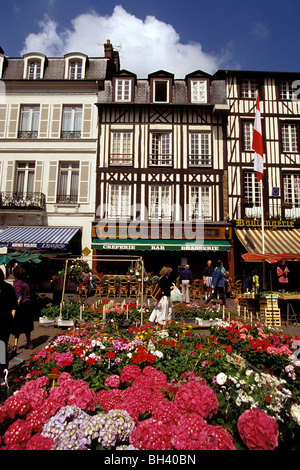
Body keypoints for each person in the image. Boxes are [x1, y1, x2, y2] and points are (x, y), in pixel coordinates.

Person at [0, 269, 18, 372]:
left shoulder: (7, 288)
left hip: (4, 320)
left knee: (2, 345)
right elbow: (14, 305)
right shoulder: (8, 287)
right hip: (5, 321)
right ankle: (3, 369)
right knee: (2, 344)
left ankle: (2, 368)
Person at [12, 266, 34, 349]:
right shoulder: (26, 283)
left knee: (17, 326)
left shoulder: (18, 284)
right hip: (28, 305)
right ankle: (29, 342)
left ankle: (15, 345)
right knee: (27, 326)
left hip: (22, 306)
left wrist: (14, 309)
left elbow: (19, 298)